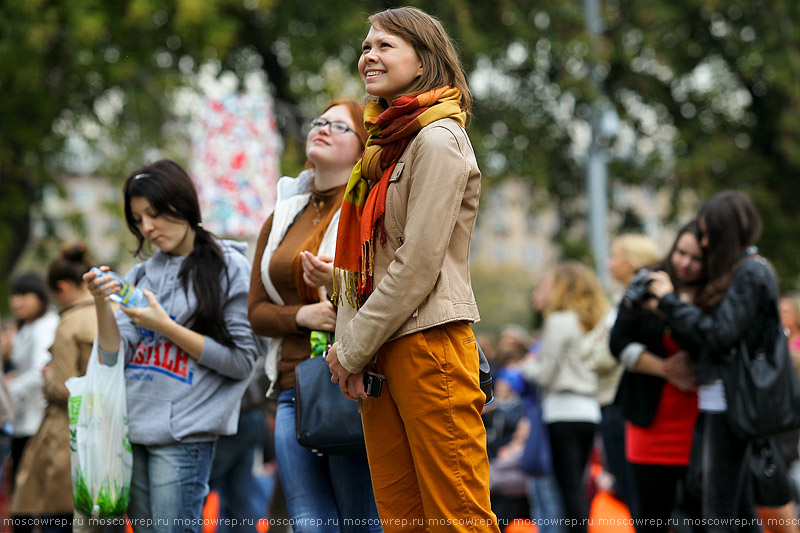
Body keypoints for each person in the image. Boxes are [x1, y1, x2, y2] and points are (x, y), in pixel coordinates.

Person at [324, 7, 499, 532]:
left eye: (384, 46)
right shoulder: (381, 150)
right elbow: (362, 266)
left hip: (429, 345)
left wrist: (352, 349)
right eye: (365, 46)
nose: (368, 55)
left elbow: (417, 265)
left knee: (458, 518)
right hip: (380, 352)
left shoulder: (439, 140)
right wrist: (349, 351)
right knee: (402, 519)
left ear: (424, 62)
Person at [84, 160, 259, 533]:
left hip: (183, 437)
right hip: (130, 431)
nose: (147, 228)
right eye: (138, 219)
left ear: (183, 205)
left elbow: (243, 361)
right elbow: (113, 355)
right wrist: (102, 302)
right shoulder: (141, 275)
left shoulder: (229, 267)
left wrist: (166, 327)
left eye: (154, 214)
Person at [248, 98, 381, 532]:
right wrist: (302, 316)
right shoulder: (283, 212)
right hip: (292, 385)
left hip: (348, 383)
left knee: (360, 521)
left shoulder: (370, 207)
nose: (323, 128)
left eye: (340, 127)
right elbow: (256, 312)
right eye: (319, 121)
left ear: (362, 147)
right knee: (308, 523)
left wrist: (340, 279)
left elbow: (391, 291)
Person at [648, 190, 769, 532]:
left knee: (719, 510)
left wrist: (670, 304)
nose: (703, 241)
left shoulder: (750, 272)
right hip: (721, 401)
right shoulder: (742, 271)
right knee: (737, 509)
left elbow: (720, 335)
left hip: (731, 403)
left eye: (706, 233)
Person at [609, 222, 706, 532]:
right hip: (648, 419)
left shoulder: (714, 291)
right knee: (650, 518)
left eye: (696, 258)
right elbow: (617, 342)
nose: (684, 263)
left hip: (700, 424)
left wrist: (669, 306)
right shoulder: (647, 282)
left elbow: (711, 341)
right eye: (680, 252)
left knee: (704, 519)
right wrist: (665, 369)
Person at [10, 244, 97, 532]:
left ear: (62, 288)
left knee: (57, 518)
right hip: (107, 431)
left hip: (68, 435)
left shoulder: (68, 322)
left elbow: (63, 388)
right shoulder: (111, 314)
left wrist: (48, 378)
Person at [523, 262, 607, 533]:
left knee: (567, 492)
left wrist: (527, 366)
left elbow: (545, 374)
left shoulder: (559, 321)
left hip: (562, 411)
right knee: (578, 489)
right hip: (589, 411)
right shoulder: (592, 322)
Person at [598, 233, 660, 517]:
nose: (609, 264)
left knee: (639, 495)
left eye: (614, 256)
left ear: (631, 261)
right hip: (621, 400)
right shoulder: (622, 297)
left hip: (629, 401)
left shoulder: (641, 297)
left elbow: (605, 351)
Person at [6, 272, 58, 492]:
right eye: (15, 295)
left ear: (40, 297)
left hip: (37, 421)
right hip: (22, 419)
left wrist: (7, 390)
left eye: (24, 295)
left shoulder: (46, 325)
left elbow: (40, 371)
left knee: (28, 490)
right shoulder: (27, 326)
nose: (18, 301)